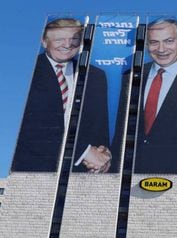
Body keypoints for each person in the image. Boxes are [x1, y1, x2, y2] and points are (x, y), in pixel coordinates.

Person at [12, 18, 111, 173]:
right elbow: (31, 127)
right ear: (44, 42)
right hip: (34, 168)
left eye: (74, 39)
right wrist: (84, 152)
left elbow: (100, 124)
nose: (67, 44)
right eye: (59, 39)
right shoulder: (27, 71)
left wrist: (103, 153)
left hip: (81, 170)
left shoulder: (95, 76)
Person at [134, 17, 177, 174]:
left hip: (173, 174)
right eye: (154, 42)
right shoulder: (131, 76)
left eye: (169, 41)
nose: (161, 49)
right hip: (133, 172)